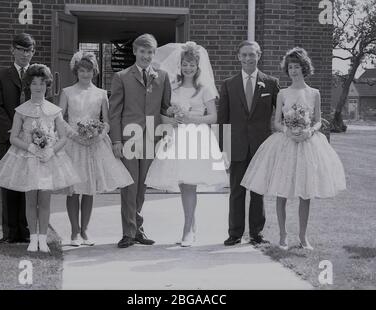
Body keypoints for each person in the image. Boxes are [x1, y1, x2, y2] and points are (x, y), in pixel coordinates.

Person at [240, 47, 346, 250]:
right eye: (290, 67)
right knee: (282, 190)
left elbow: (318, 121)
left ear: (304, 68)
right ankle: (282, 235)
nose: (293, 71)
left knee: (305, 192)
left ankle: (303, 237)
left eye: (297, 66)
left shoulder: (314, 93)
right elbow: (276, 123)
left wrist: (310, 132)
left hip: (307, 144)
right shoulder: (282, 93)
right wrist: (288, 132)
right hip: (286, 145)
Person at [145, 41, 229, 247]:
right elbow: (164, 112)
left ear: (198, 65)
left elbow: (213, 117)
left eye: (191, 64)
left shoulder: (205, 88)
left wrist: (190, 117)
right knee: (184, 184)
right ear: (180, 65)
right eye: (185, 64)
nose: (188, 68)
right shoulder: (173, 87)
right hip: (178, 136)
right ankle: (191, 226)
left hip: (197, 137)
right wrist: (172, 118)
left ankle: (187, 230)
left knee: (190, 183)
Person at [0, 64, 81, 252]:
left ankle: (43, 239)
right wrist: (31, 146)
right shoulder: (21, 111)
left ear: (47, 85)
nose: (38, 87)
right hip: (28, 159)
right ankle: (33, 239)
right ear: (28, 86)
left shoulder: (54, 110)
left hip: (49, 160)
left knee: (45, 201)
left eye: (42, 83)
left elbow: (63, 137)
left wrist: (52, 150)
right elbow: (13, 137)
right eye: (34, 83)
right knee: (31, 200)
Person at [59, 51, 133, 247]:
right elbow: (60, 119)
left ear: (95, 72)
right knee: (74, 189)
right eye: (82, 70)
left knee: (89, 189)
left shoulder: (101, 94)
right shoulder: (67, 92)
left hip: (94, 145)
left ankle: (85, 231)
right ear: (76, 71)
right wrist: (75, 135)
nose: (85, 74)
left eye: (89, 70)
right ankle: (74, 232)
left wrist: (98, 134)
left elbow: (107, 121)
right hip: (73, 144)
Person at [109, 34, 172, 248]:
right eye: (142, 51)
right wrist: (116, 140)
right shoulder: (122, 77)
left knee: (143, 186)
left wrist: (168, 132)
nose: (146, 56)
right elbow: (114, 112)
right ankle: (129, 232)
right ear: (135, 51)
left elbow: (165, 108)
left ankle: (138, 228)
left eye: (150, 52)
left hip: (151, 138)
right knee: (130, 185)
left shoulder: (162, 77)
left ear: (154, 54)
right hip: (129, 139)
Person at [218, 41, 280, 246]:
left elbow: (280, 113)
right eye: (244, 55)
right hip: (236, 146)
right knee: (236, 191)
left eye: (252, 55)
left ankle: (256, 233)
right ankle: (234, 233)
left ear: (259, 55)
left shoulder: (271, 83)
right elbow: (222, 119)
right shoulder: (228, 84)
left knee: (257, 191)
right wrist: (222, 149)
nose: (248, 59)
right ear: (238, 57)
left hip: (261, 146)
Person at [0, 33, 35, 244]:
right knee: (8, 185)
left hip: (29, 141)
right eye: (22, 49)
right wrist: (12, 133)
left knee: (26, 185)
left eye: (30, 50)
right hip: (6, 139)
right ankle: (9, 233)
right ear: (13, 50)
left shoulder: (36, 76)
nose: (26, 54)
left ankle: (25, 232)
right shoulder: (1, 76)